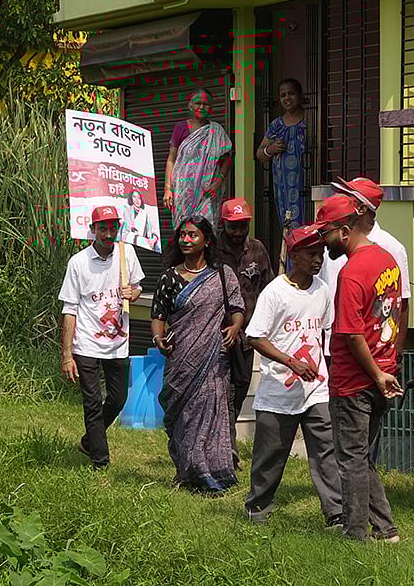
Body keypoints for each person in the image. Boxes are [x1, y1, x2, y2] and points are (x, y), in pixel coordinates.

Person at [315, 194, 404, 543]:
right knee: (362, 458)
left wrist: (376, 374)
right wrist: (385, 368)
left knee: (350, 460)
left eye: (325, 233)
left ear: (344, 231)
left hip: (355, 382)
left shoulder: (351, 274)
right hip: (382, 375)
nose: (322, 242)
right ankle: (386, 530)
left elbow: (352, 334)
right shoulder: (387, 260)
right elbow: (397, 313)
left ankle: (354, 535)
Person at [244, 225, 344, 529]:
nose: (318, 260)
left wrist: (328, 373)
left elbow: (324, 334)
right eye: (311, 254)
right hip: (278, 392)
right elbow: (255, 337)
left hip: (316, 390)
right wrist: (291, 362)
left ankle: (335, 512)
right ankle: (257, 511)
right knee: (270, 456)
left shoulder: (322, 290)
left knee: (326, 452)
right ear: (294, 255)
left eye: (321, 253)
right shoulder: (275, 293)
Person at [319, 177, 411, 464]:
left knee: (357, 455)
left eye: (347, 196)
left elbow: (400, 306)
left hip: (366, 359)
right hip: (336, 348)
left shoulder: (390, 248)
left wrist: (392, 358)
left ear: (359, 208)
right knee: (347, 446)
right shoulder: (335, 243)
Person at [150, 215, 244, 494]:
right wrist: (158, 338)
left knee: (211, 411)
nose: (186, 240)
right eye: (183, 235)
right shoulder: (169, 277)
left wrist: (235, 327)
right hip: (181, 359)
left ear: (207, 241)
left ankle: (212, 472)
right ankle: (187, 470)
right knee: (183, 414)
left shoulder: (222, 275)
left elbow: (237, 307)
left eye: (193, 235)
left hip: (214, 359)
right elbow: (158, 315)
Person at [58, 205, 144, 469]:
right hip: (86, 342)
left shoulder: (126, 253)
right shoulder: (78, 263)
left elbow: (137, 288)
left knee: (118, 399)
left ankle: (88, 441)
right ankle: (100, 460)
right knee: (93, 402)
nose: (108, 234)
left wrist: (133, 294)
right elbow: (69, 309)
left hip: (118, 342)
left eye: (113, 227)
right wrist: (67, 354)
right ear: (93, 230)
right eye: (102, 228)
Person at [214, 197, 274, 470]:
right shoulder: (212, 251)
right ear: (223, 224)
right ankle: (228, 448)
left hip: (248, 337)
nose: (238, 231)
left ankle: (223, 440)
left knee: (239, 389)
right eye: (233, 226)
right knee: (223, 393)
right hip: (218, 336)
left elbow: (268, 290)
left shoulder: (257, 250)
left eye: (243, 226)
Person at [163, 89, 234, 227]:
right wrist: (167, 188)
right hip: (182, 192)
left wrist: (217, 183)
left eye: (206, 104)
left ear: (211, 107)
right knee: (183, 228)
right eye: (197, 103)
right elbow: (171, 159)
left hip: (207, 192)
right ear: (190, 105)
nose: (201, 107)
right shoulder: (180, 127)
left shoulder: (216, 131)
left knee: (206, 227)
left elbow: (227, 160)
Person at [256, 78, 306, 229]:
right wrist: (271, 149)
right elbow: (260, 154)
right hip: (283, 186)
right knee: (288, 224)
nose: (287, 98)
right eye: (283, 95)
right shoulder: (276, 125)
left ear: (300, 95)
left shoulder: (311, 119)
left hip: (306, 183)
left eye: (291, 93)